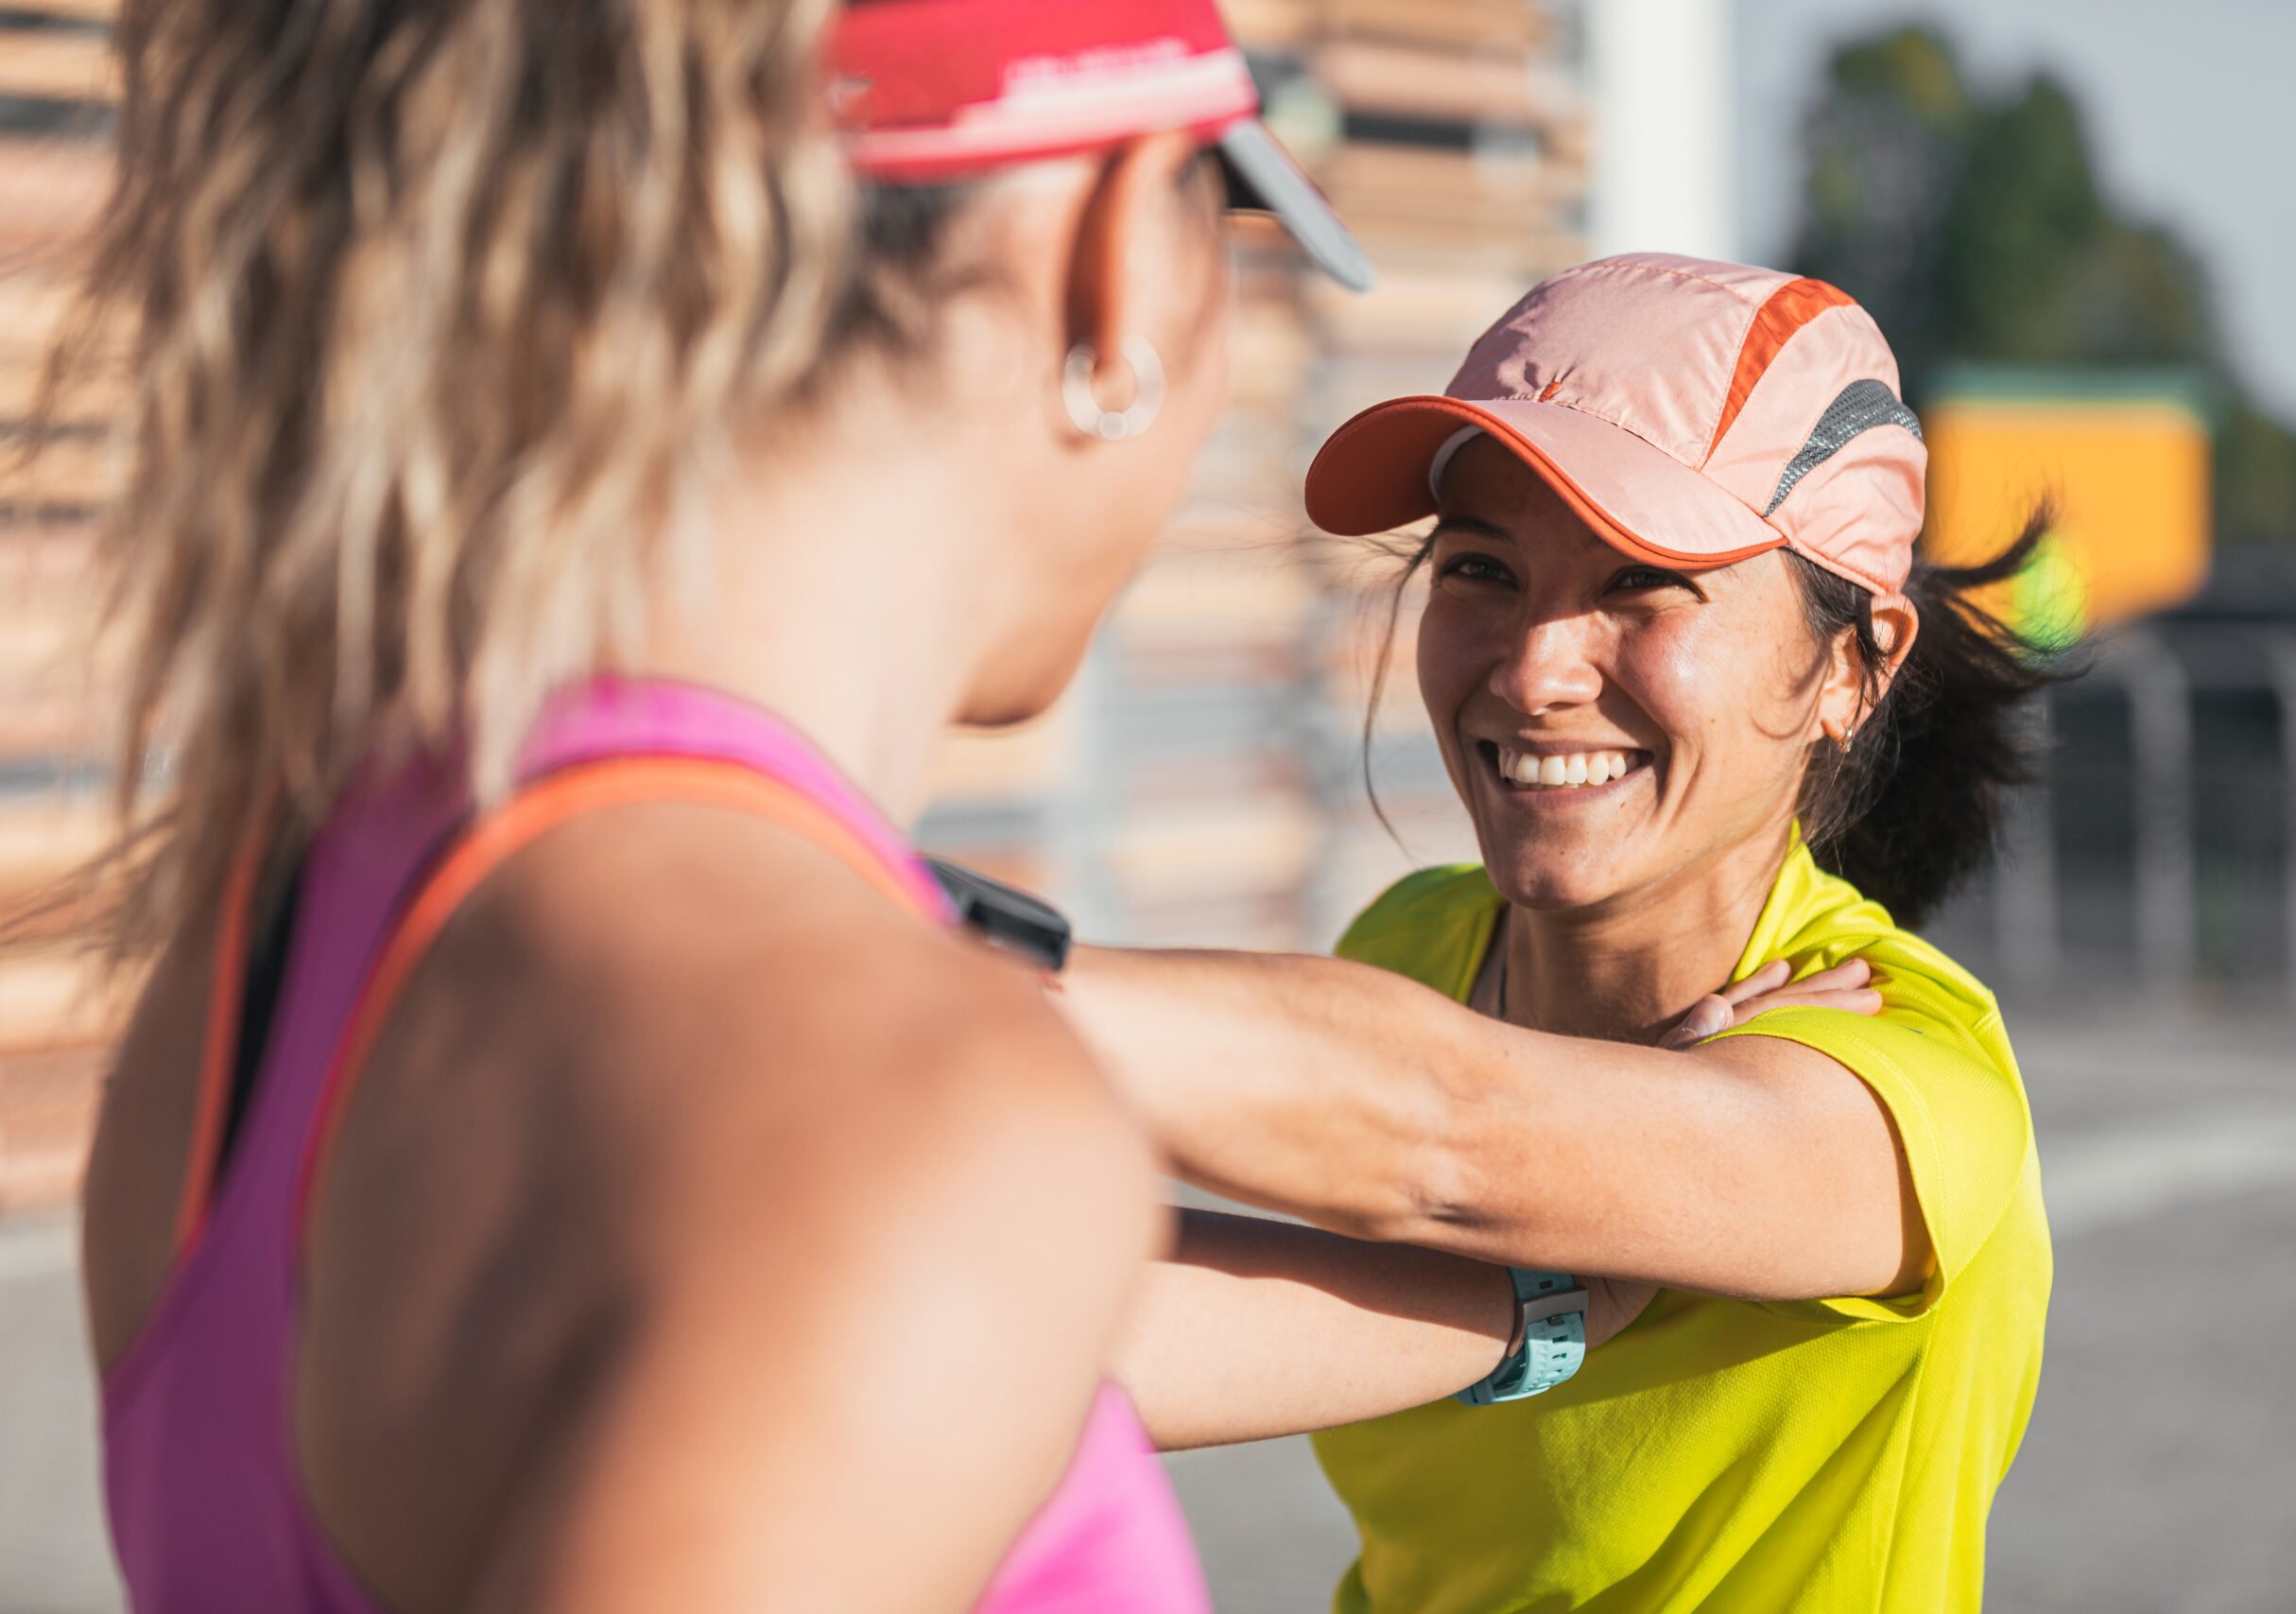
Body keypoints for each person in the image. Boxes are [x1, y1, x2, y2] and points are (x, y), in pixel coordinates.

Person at [61, 1, 1369, 1608]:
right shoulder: (903, 1099)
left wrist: (1537, 1311)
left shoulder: (258, 947)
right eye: (1219, 222)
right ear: (1114, 257)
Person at [1075, 255, 2060, 1612]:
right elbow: (1060, 1328)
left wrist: (881, 965)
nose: (1536, 670)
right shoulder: (1412, 947)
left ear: (1850, 667)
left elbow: (1443, 1139)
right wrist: (1547, 1302)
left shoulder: (1901, 1077)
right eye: (1483, 567)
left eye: (1644, 585)